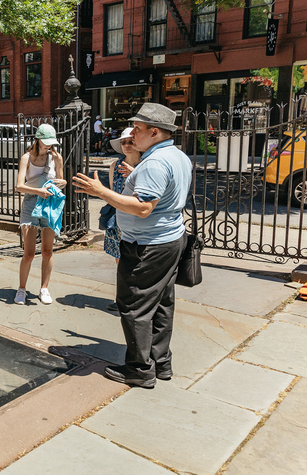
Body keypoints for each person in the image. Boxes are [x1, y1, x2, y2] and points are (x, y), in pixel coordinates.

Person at [72, 103, 192, 389]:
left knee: (134, 305)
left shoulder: (154, 163)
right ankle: (160, 362)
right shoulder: (176, 156)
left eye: (137, 129)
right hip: (169, 239)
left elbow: (143, 208)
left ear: (154, 132)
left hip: (147, 246)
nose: (132, 134)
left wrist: (102, 192)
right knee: (162, 303)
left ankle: (139, 369)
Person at [14, 124, 66, 305]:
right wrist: (39, 192)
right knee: (28, 253)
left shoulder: (56, 157)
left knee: (47, 250)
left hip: (49, 203)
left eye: (51, 144)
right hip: (31, 203)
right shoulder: (26, 158)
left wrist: (61, 183)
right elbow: (19, 186)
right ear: (38, 139)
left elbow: (61, 180)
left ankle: (44, 288)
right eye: (46, 143)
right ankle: (21, 289)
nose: (48, 147)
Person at [103, 127, 140, 310]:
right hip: (118, 220)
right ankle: (123, 299)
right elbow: (112, 194)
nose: (127, 145)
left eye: (131, 141)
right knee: (120, 262)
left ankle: (138, 300)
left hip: (139, 221)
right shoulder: (114, 165)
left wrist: (135, 173)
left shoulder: (146, 165)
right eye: (123, 142)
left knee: (138, 263)